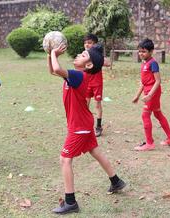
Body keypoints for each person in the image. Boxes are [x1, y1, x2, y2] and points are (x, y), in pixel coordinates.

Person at [47, 44, 126, 214]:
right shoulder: (76, 75)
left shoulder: (78, 76)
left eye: (82, 55)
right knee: (95, 151)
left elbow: (56, 67)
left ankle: (70, 202)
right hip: (84, 123)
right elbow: (53, 70)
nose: (77, 55)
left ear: (88, 65)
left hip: (79, 127)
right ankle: (116, 181)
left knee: (65, 159)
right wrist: (50, 55)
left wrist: (54, 53)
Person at [132, 39, 170, 151]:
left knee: (145, 115)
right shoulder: (144, 64)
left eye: (144, 51)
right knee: (158, 114)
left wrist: (150, 95)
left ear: (151, 52)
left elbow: (158, 81)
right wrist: (137, 95)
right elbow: (144, 82)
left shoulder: (153, 63)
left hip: (153, 93)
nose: (141, 53)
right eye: (140, 51)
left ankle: (149, 143)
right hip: (148, 93)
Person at [83, 34, 110, 137]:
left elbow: (108, 63)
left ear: (95, 44)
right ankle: (85, 125)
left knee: (97, 105)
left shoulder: (97, 56)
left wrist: (99, 57)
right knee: (85, 105)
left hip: (97, 83)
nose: (87, 45)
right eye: (85, 43)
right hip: (86, 83)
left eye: (89, 43)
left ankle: (98, 127)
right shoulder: (84, 54)